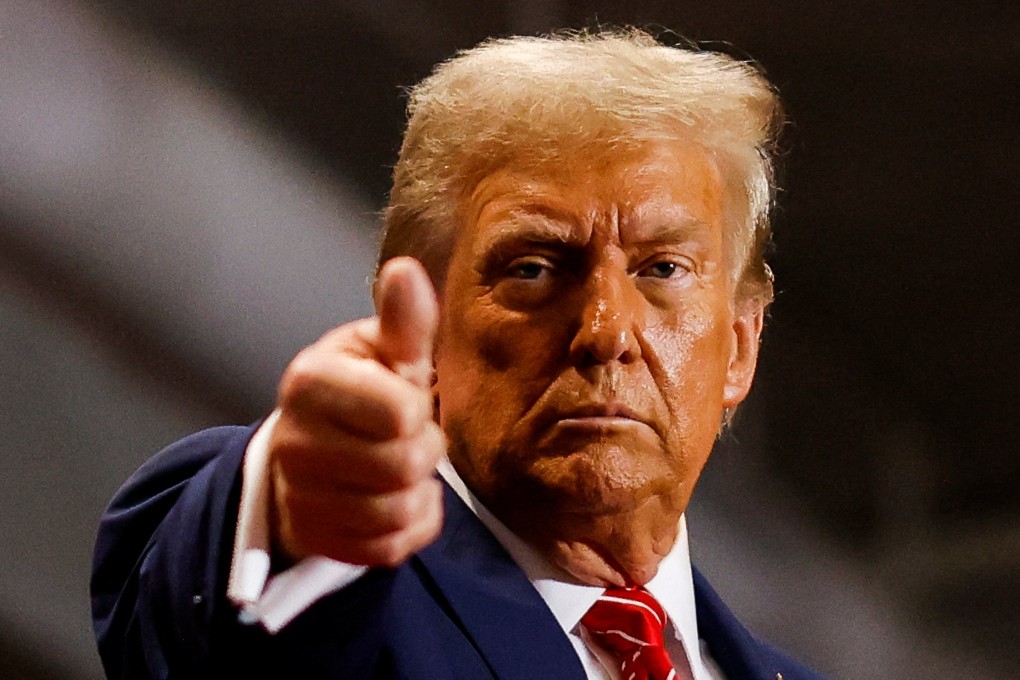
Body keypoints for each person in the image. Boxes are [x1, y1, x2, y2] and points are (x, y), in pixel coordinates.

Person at [91, 28, 825, 680]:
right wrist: (290, 519)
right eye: (534, 268)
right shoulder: (344, 584)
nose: (605, 330)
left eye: (662, 269)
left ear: (738, 346)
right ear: (426, 327)